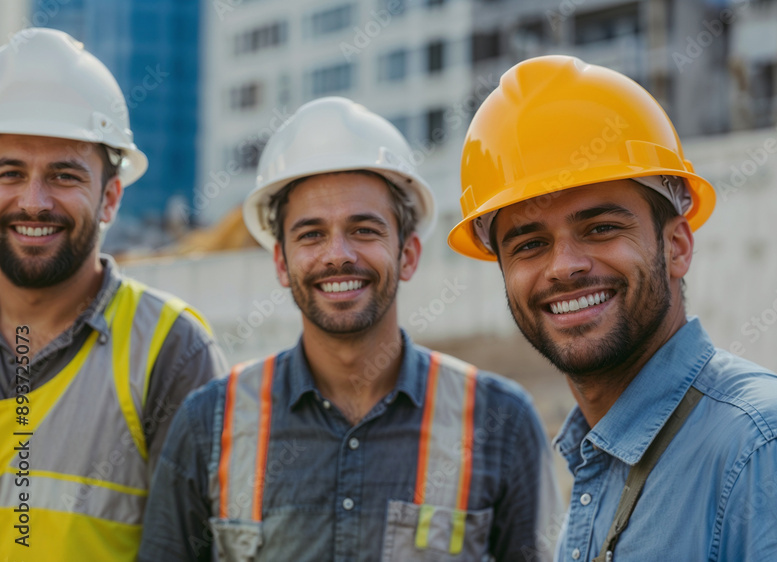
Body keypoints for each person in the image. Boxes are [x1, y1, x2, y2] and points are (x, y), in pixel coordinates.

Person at [448, 55, 777, 561]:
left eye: (601, 228)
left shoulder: (770, 449)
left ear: (676, 246)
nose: (563, 267)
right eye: (529, 245)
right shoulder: (598, 467)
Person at [139, 97, 563, 561]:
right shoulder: (208, 423)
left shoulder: (500, 422)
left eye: (364, 230)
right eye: (311, 235)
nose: (337, 255)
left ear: (408, 255)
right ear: (280, 262)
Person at [0, 28, 226, 561]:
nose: (34, 202)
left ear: (110, 197)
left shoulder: (172, 352)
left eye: (64, 176)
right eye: (10, 172)